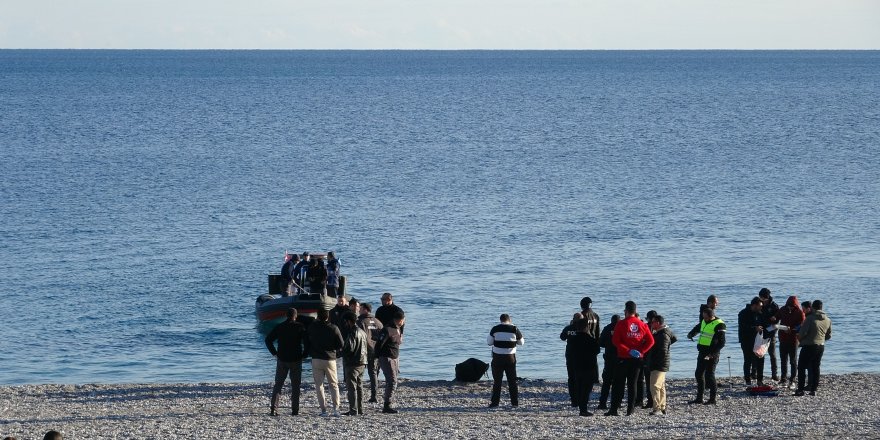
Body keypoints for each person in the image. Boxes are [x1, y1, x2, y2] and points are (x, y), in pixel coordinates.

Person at [605, 301, 654, 416]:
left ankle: (614, 409)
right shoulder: (642, 324)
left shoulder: (621, 324)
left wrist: (628, 350)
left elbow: (615, 341)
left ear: (626, 311)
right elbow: (651, 341)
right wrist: (641, 351)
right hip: (637, 359)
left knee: (618, 384)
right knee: (633, 384)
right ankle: (630, 409)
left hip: (623, 357)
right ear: (635, 311)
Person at [265, 308, 307, 416]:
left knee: (278, 384)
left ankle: (274, 409)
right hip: (296, 359)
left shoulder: (280, 326)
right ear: (295, 316)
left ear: (285, 315)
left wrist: (274, 353)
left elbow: (268, 340)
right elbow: (307, 342)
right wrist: (304, 355)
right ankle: (295, 410)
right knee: (295, 385)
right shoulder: (300, 327)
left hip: (282, 358)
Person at [308, 309, 344, 416]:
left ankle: (323, 410)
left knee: (319, 385)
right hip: (330, 359)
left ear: (317, 316)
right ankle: (336, 409)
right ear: (328, 317)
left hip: (316, 358)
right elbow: (341, 344)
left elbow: (307, 341)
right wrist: (334, 350)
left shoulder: (312, 327)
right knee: (333, 384)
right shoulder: (334, 328)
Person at [795, 299, 832, 396]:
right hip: (821, 346)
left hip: (809, 346)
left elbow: (802, 333)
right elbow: (829, 336)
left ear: (812, 308)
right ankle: (813, 389)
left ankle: (800, 390)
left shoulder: (810, 318)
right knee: (816, 367)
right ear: (821, 307)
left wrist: (798, 337)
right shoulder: (827, 319)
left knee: (801, 367)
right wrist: (820, 338)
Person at [487, 313, 525, 408]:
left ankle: (495, 403)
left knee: (497, 381)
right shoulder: (514, 329)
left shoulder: (495, 329)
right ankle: (514, 403)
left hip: (497, 358)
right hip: (510, 358)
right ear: (509, 320)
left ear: (500, 320)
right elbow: (521, 342)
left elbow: (489, 342)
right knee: (512, 381)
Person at [690, 307, 726, 405]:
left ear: (711, 316)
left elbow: (722, 343)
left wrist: (712, 354)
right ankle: (699, 398)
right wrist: (691, 334)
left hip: (712, 353)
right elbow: (698, 327)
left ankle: (712, 399)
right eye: (703, 317)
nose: (704, 319)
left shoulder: (720, 324)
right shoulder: (703, 321)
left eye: (706, 318)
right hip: (702, 351)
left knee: (710, 375)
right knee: (698, 374)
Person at [567, 316, 601, 416]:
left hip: (577, 366)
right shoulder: (591, 339)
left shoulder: (573, 340)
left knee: (579, 386)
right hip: (589, 366)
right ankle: (583, 409)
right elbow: (597, 351)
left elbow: (570, 352)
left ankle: (580, 405)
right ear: (587, 327)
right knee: (586, 389)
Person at [375, 310, 405, 413]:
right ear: (400, 320)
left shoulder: (398, 328)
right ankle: (387, 405)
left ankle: (388, 402)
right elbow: (379, 344)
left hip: (395, 357)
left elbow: (398, 342)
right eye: (403, 320)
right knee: (392, 381)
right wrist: (377, 358)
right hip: (386, 357)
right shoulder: (387, 329)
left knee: (393, 380)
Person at [647, 315, 676, 415]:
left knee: (654, 386)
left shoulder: (662, 335)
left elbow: (663, 351)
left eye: (653, 322)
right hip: (662, 363)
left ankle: (657, 408)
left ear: (658, 323)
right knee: (661, 385)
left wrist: (655, 361)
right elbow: (674, 338)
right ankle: (662, 406)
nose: (651, 324)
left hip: (659, 364)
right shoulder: (663, 332)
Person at [341, 311, 368, 415]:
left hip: (352, 363)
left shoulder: (352, 332)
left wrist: (341, 352)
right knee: (359, 386)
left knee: (351, 387)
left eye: (345, 321)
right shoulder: (362, 332)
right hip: (362, 361)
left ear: (348, 321)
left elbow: (349, 348)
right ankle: (360, 409)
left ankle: (353, 409)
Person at [776, 295, 805, 389]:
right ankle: (783, 379)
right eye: (789, 305)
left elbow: (802, 325)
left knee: (793, 360)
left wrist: (792, 329)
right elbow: (777, 318)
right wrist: (774, 319)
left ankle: (792, 379)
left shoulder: (799, 312)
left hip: (793, 339)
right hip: (782, 338)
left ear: (796, 305)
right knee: (783, 360)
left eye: (792, 306)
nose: (790, 307)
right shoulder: (782, 309)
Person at [358, 302, 384, 403]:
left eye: (360, 308)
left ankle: (361, 394)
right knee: (374, 373)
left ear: (365, 310)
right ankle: (374, 395)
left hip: (366, 350)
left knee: (360, 372)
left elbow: (359, 336)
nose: (359, 310)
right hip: (377, 350)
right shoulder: (377, 322)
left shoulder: (361, 321)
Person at [738, 297, 767, 386]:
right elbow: (743, 326)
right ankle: (748, 381)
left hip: (758, 340)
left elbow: (764, 325)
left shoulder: (760, 314)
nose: (761, 308)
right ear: (754, 305)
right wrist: (754, 328)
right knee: (748, 360)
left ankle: (760, 380)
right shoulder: (743, 313)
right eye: (760, 306)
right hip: (746, 340)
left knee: (760, 359)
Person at [596, 314, 620, 410]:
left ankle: (602, 403)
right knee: (618, 382)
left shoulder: (607, 328)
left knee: (606, 382)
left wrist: (608, 344)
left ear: (611, 320)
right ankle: (617, 403)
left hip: (609, 358)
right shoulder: (622, 328)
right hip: (620, 358)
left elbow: (600, 342)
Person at [560, 312, 584, 407]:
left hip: (570, 355)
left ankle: (574, 400)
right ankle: (580, 398)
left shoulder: (568, 328)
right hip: (581, 355)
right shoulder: (583, 328)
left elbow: (562, 337)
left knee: (571, 378)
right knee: (580, 377)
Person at [758, 288, 781, 381]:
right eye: (761, 298)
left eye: (763, 298)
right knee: (758, 353)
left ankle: (774, 374)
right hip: (761, 331)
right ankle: (756, 373)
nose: (762, 300)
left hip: (771, 332)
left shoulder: (774, 306)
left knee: (772, 354)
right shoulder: (759, 303)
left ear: (767, 297)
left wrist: (774, 319)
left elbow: (778, 319)